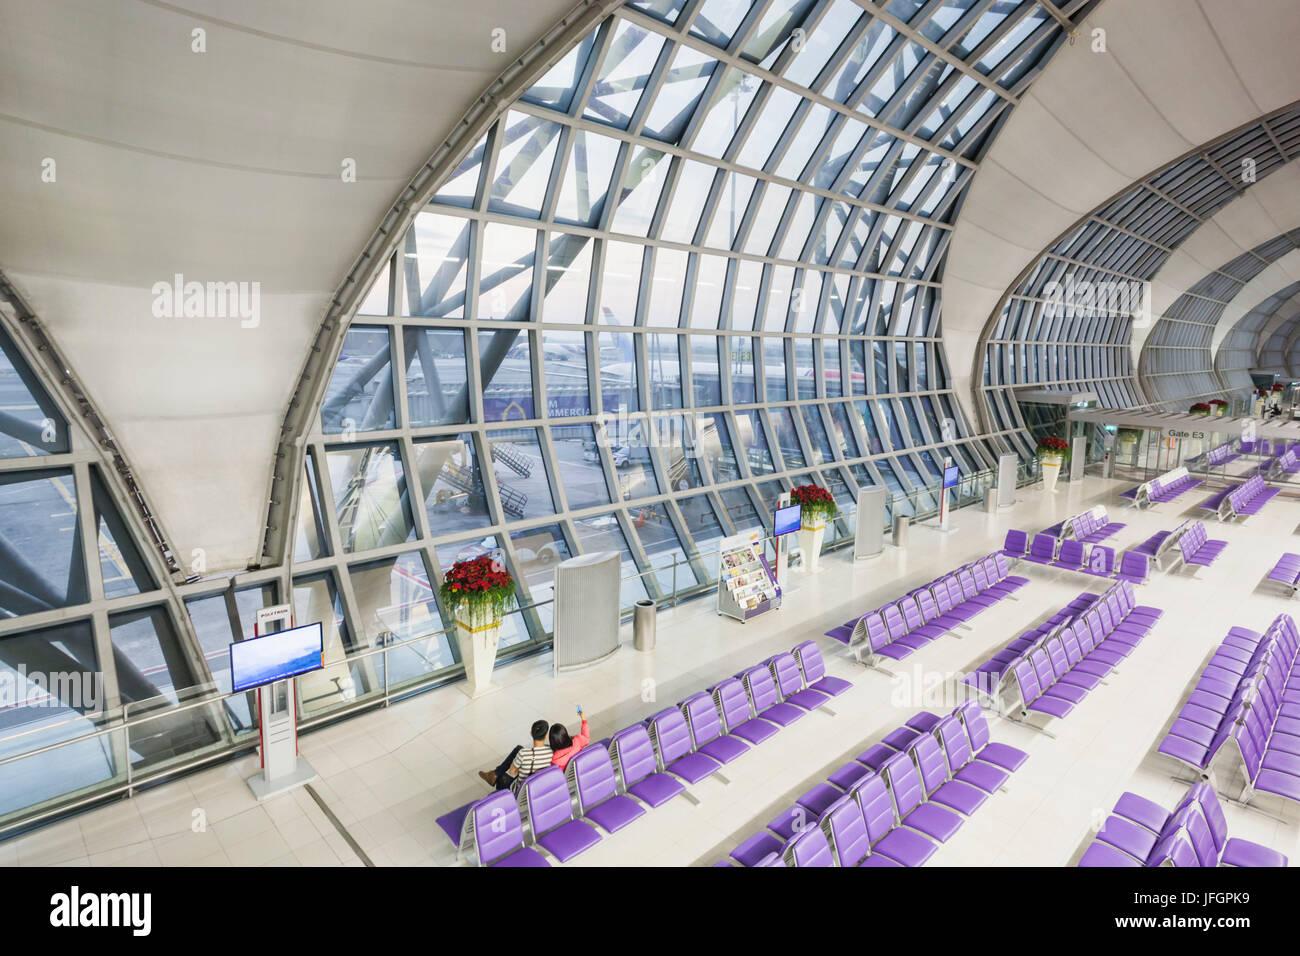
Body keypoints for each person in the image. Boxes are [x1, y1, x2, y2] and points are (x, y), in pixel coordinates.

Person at [479, 719, 552, 792]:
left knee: (502, 778)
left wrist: (522, 769)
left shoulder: (523, 754)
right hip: (537, 788)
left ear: (531, 734)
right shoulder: (551, 751)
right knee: (519, 749)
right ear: (546, 736)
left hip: (520, 793)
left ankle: (496, 777)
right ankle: (494, 774)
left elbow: (512, 772)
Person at [550, 706, 589, 770]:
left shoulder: (555, 760)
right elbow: (586, 738)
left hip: (569, 779)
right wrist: (583, 719)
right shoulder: (577, 741)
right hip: (582, 770)